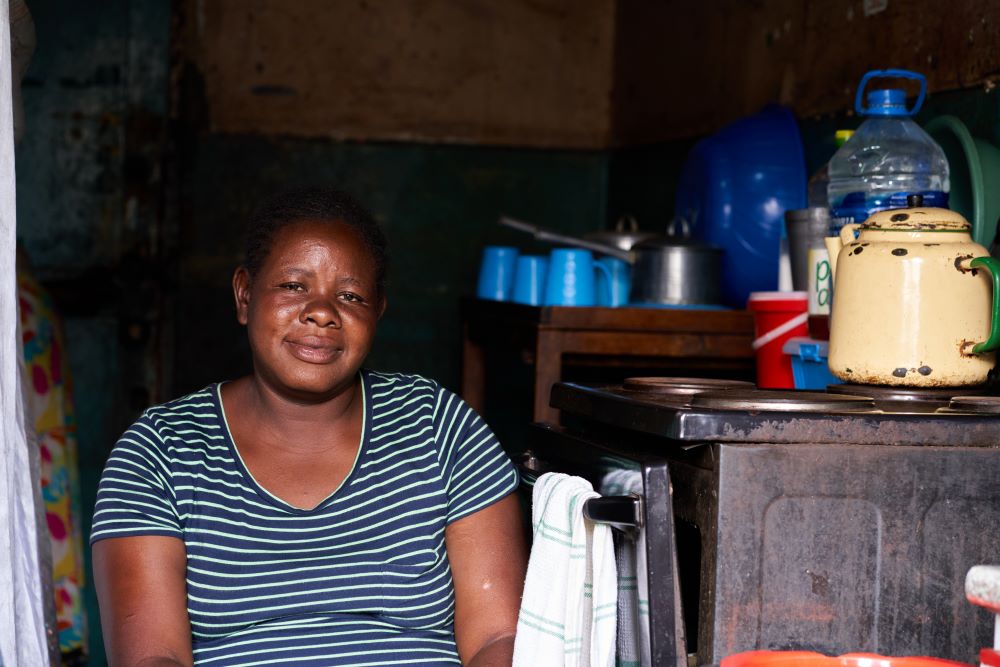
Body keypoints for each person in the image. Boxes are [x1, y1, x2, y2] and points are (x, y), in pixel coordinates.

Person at [91, 187, 528, 666]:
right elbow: (154, 658)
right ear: (244, 295)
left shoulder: (440, 428)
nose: (322, 311)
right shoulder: (160, 453)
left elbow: (497, 637)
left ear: (377, 311)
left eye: (350, 295)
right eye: (293, 286)